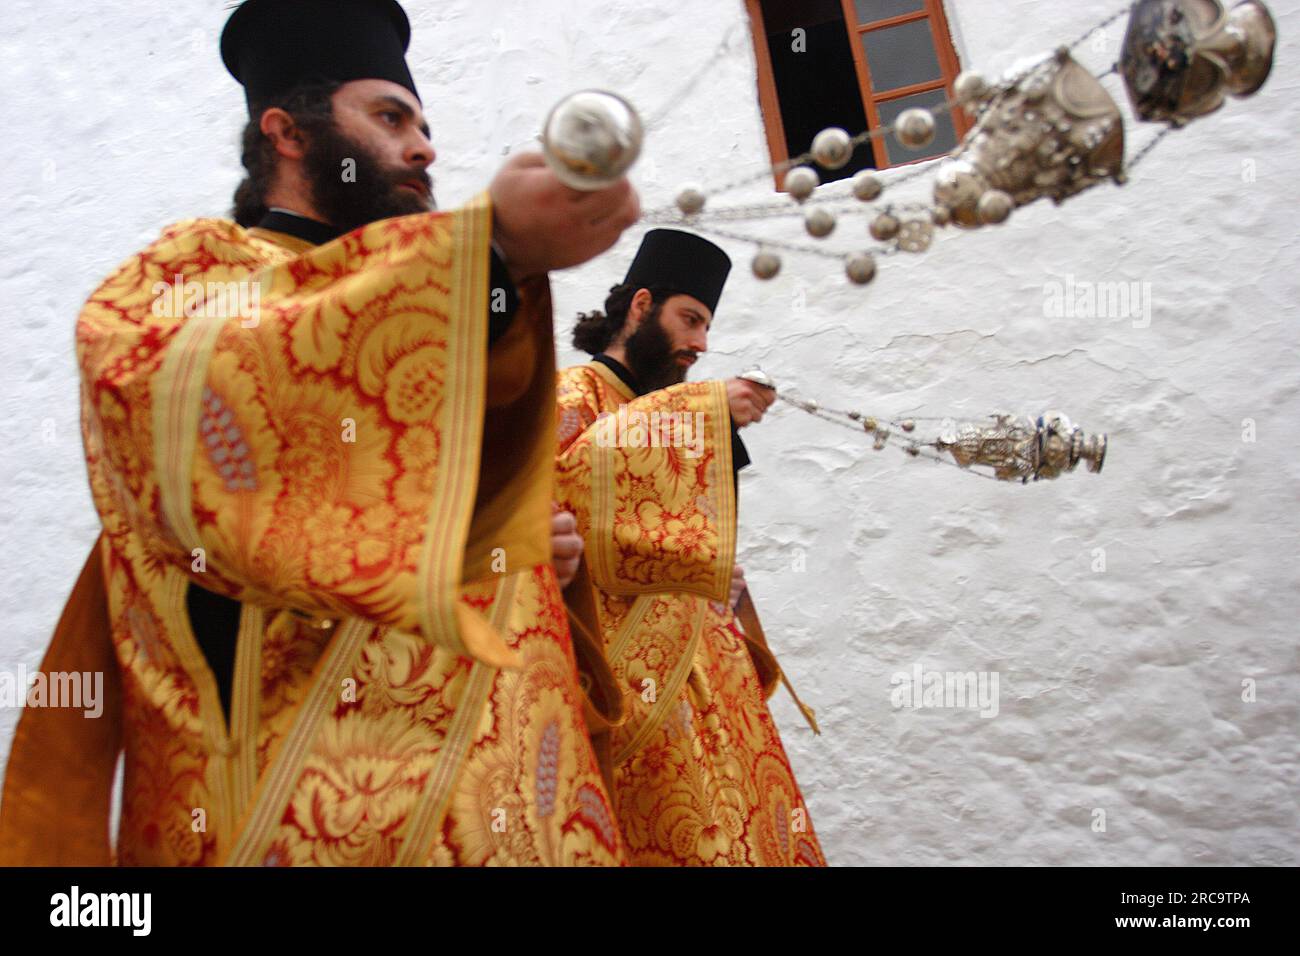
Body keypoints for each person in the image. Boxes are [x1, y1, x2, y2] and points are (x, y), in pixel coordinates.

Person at [0, 0, 639, 866]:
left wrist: (523, 553)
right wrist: (488, 257)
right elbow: (237, 422)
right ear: (288, 134)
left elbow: (440, 524)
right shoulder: (191, 279)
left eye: (422, 123)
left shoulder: (440, 313)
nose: (424, 148)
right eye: (389, 117)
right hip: (298, 819)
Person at [554, 229, 825, 865]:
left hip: (709, 677)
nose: (701, 345)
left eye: (707, 327)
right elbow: (555, 504)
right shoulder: (567, 396)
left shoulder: (666, 408)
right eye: (691, 319)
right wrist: (697, 410)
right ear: (641, 306)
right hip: (629, 687)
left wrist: (716, 576)